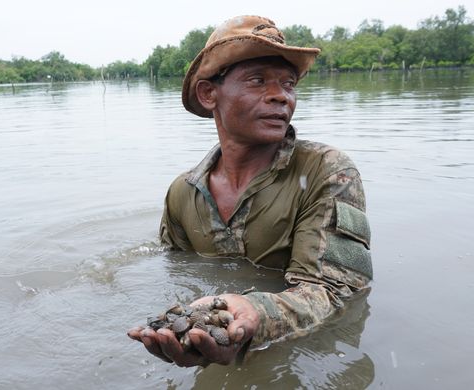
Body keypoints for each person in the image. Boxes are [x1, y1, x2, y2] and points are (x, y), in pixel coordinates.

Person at [127, 15, 372, 367]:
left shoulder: (326, 170)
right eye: (258, 81)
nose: (280, 96)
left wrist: (256, 314)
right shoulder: (182, 193)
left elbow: (339, 292)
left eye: (288, 84)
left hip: (301, 357)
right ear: (209, 93)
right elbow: (176, 271)